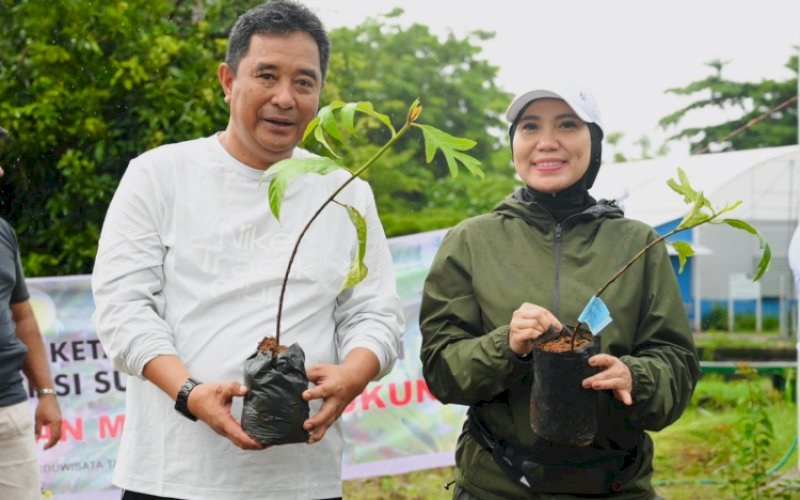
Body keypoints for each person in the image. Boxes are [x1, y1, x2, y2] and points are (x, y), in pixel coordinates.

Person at [91, 2, 403, 499]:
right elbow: (123, 309)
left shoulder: (344, 189)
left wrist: (353, 374)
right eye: (266, 75)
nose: (285, 97)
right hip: (174, 476)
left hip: (302, 480)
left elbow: (375, 313)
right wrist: (189, 393)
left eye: (304, 82)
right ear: (227, 81)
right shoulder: (159, 175)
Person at [419, 86, 700, 499]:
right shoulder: (471, 242)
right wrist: (507, 346)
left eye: (567, 125)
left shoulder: (637, 244)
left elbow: (677, 366)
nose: (546, 142)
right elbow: (442, 370)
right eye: (530, 126)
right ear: (514, 143)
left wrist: (635, 377)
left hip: (615, 486)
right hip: (498, 487)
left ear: (595, 142)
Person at [0, 153, 63, 500]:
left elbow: (22, 317)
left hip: (8, 409)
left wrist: (46, 394)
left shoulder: (2, 232)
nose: (1, 171)